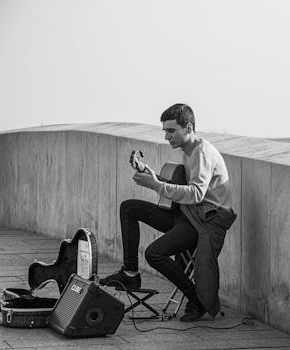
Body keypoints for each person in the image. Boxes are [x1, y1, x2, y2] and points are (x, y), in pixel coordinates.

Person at [100, 103, 237, 322]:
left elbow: (196, 194)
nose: (166, 136)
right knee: (129, 208)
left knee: (154, 253)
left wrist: (156, 185)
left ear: (189, 128)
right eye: (164, 130)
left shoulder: (201, 153)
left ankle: (195, 299)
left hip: (203, 221)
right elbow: (181, 187)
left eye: (171, 130)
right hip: (187, 213)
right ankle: (130, 273)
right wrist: (147, 171)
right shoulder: (188, 150)